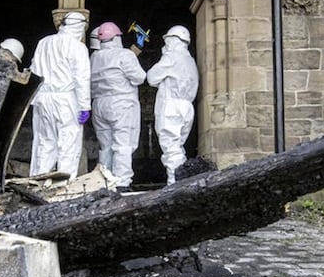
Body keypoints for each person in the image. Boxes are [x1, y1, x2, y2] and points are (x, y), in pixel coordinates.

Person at [28, 11, 91, 179]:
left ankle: (37, 184)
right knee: (68, 143)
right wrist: (85, 106)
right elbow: (82, 78)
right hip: (66, 99)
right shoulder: (77, 47)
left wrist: (33, 100)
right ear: (80, 27)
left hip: (43, 98)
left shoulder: (43, 42)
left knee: (45, 143)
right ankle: (63, 187)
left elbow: (34, 71)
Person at [90, 21, 146, 189]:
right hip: (121, 104)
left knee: (106, 146)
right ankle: (122, 183)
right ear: (116, 37)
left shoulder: (94, 57)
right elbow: (139, 77)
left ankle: (106, 182)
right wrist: (134, 53)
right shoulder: (125, 55)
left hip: (99, 105)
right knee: (122, 145)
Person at [146, 25, 198, 185]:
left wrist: (164, 58)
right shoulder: (190, 61)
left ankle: (175, 184)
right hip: (187, 107)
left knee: (171, 148)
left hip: (171, 107)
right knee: (178, 147)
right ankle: (182, 179)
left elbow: (152, 77)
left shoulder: (171, 57)